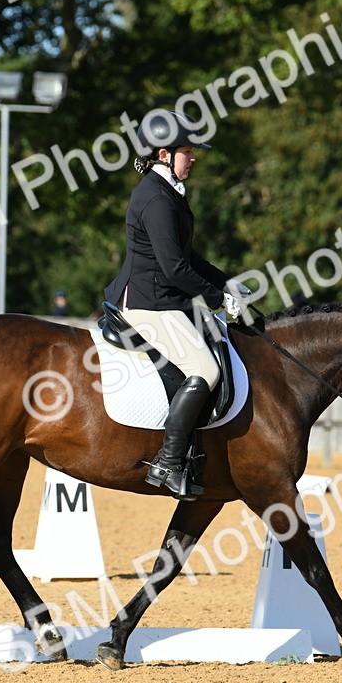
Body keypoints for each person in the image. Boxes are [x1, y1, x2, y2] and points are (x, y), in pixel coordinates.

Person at [103, 110, 246, 500]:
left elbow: (189, 256)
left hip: (165, 298)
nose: (194, 157)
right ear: (164, 154)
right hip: (149, 303)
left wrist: (226, 282)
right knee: (206, 369)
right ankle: (168, 461)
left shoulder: (167, 193)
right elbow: (175, 268)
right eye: (187, 151)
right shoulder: (156, 199)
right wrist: (218, 299)